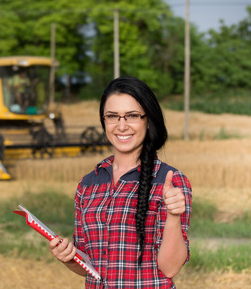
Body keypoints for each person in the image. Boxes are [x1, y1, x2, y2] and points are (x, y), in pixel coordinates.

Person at [49, 76, 192, 288]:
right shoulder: (88, 184)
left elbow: (170, 268)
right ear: (103, 121)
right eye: (112, 116)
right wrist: (68, 257)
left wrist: (173, 216)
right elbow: (89, 266)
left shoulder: (169, 181)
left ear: (148, 120)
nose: (121, 126)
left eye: (132, 116)